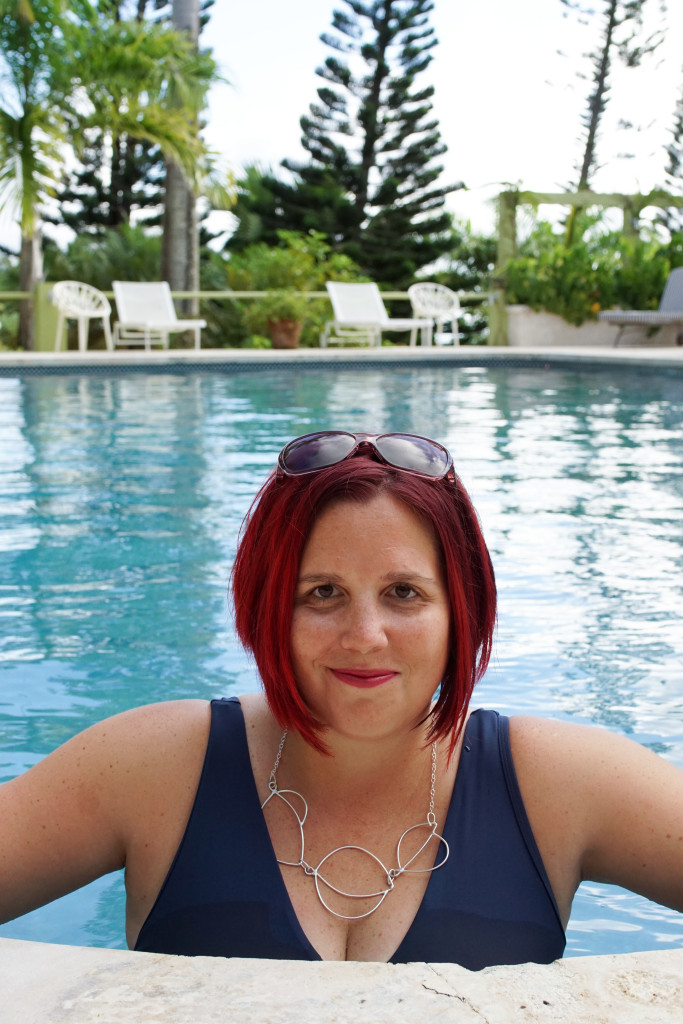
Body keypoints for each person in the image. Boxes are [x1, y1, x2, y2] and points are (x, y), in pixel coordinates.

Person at [1, 430, 682, 968]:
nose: (364, 636)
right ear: (269, 608)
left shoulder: (553, 782)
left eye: (403, 593)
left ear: (459, 610)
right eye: (321, 593)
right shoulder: (154, 767)